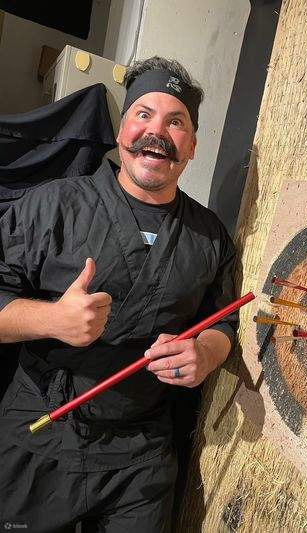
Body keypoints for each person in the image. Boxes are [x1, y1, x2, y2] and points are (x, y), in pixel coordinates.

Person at [0, 56, 237, 532]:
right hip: (41, 433)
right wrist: (51, 320)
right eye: (143, 114)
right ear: (121, 128)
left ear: (192, 145)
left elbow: (223, 320)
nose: (157, 132)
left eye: (176, 122)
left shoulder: (210, 236)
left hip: (142, 455)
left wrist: (207, 353)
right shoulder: (50, 206)